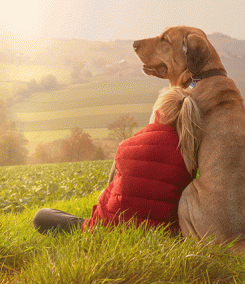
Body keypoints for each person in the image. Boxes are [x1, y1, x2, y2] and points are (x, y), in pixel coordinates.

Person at [33, 87, 202, 235]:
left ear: (156, 115)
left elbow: (107, 200)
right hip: (162, 236)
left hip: (107, 231)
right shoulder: (191, 154)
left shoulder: (127, 146)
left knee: (42, 216)